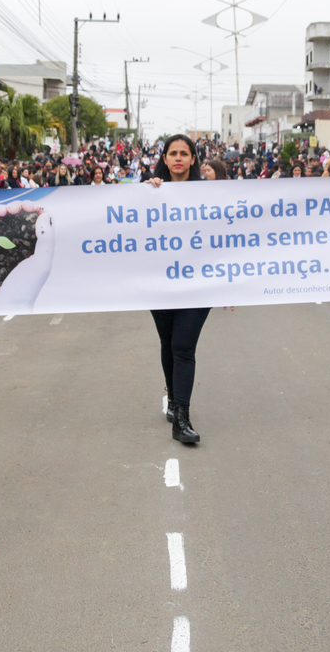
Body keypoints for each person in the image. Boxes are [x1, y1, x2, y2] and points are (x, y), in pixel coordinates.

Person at [147, 135, 209, 444]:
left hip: (200, 282)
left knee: (183, 346)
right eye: (173, 153)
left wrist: (233, 285)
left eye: (185, 153)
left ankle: (182, 418)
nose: (179, 158)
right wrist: (146, 194)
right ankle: (173, 396)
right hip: (161, 281)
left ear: (193, 159)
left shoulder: (210, 195)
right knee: (168, 341)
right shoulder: (149, 192)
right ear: (165, 158)